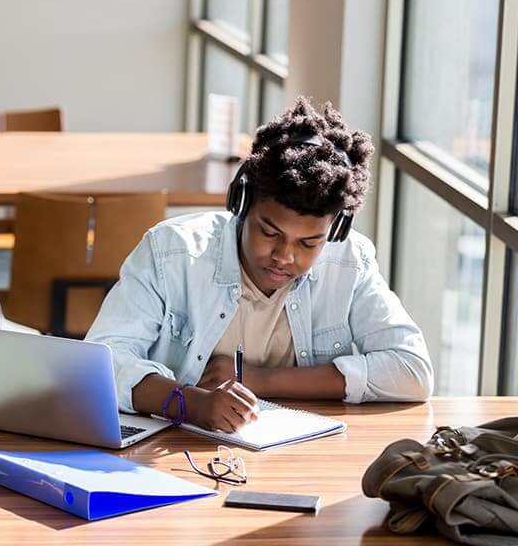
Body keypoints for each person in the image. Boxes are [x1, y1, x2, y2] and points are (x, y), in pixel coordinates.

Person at [86, 97, 433, 433]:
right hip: (178, 453)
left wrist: (259, 379)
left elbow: (412, 370)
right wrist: (191, 404)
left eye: (309, 243)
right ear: (241, 203)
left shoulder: (349, 262)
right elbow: (103, 364)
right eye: (269, 232)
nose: (284, 256)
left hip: (296, 456)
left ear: (335, 230)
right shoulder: (171, 252)